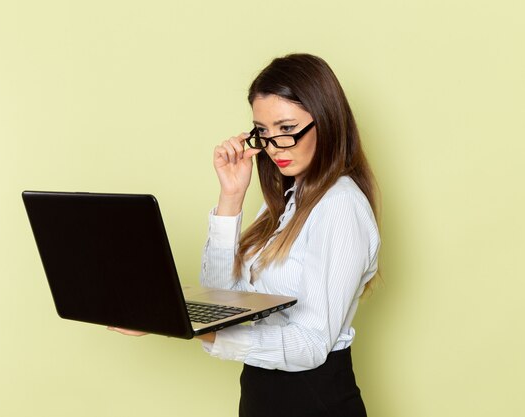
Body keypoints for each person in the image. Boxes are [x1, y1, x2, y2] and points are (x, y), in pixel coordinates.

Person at [111, 53, 381, 417]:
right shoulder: (282, 204)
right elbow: (224, 300)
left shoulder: (340, 205)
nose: (273, 147)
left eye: (287, 129)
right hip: (261, 393)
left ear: (328, 121)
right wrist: (231, 196)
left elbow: (311, 344)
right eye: (264, 132)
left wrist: (195, 330)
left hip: (313, 400)